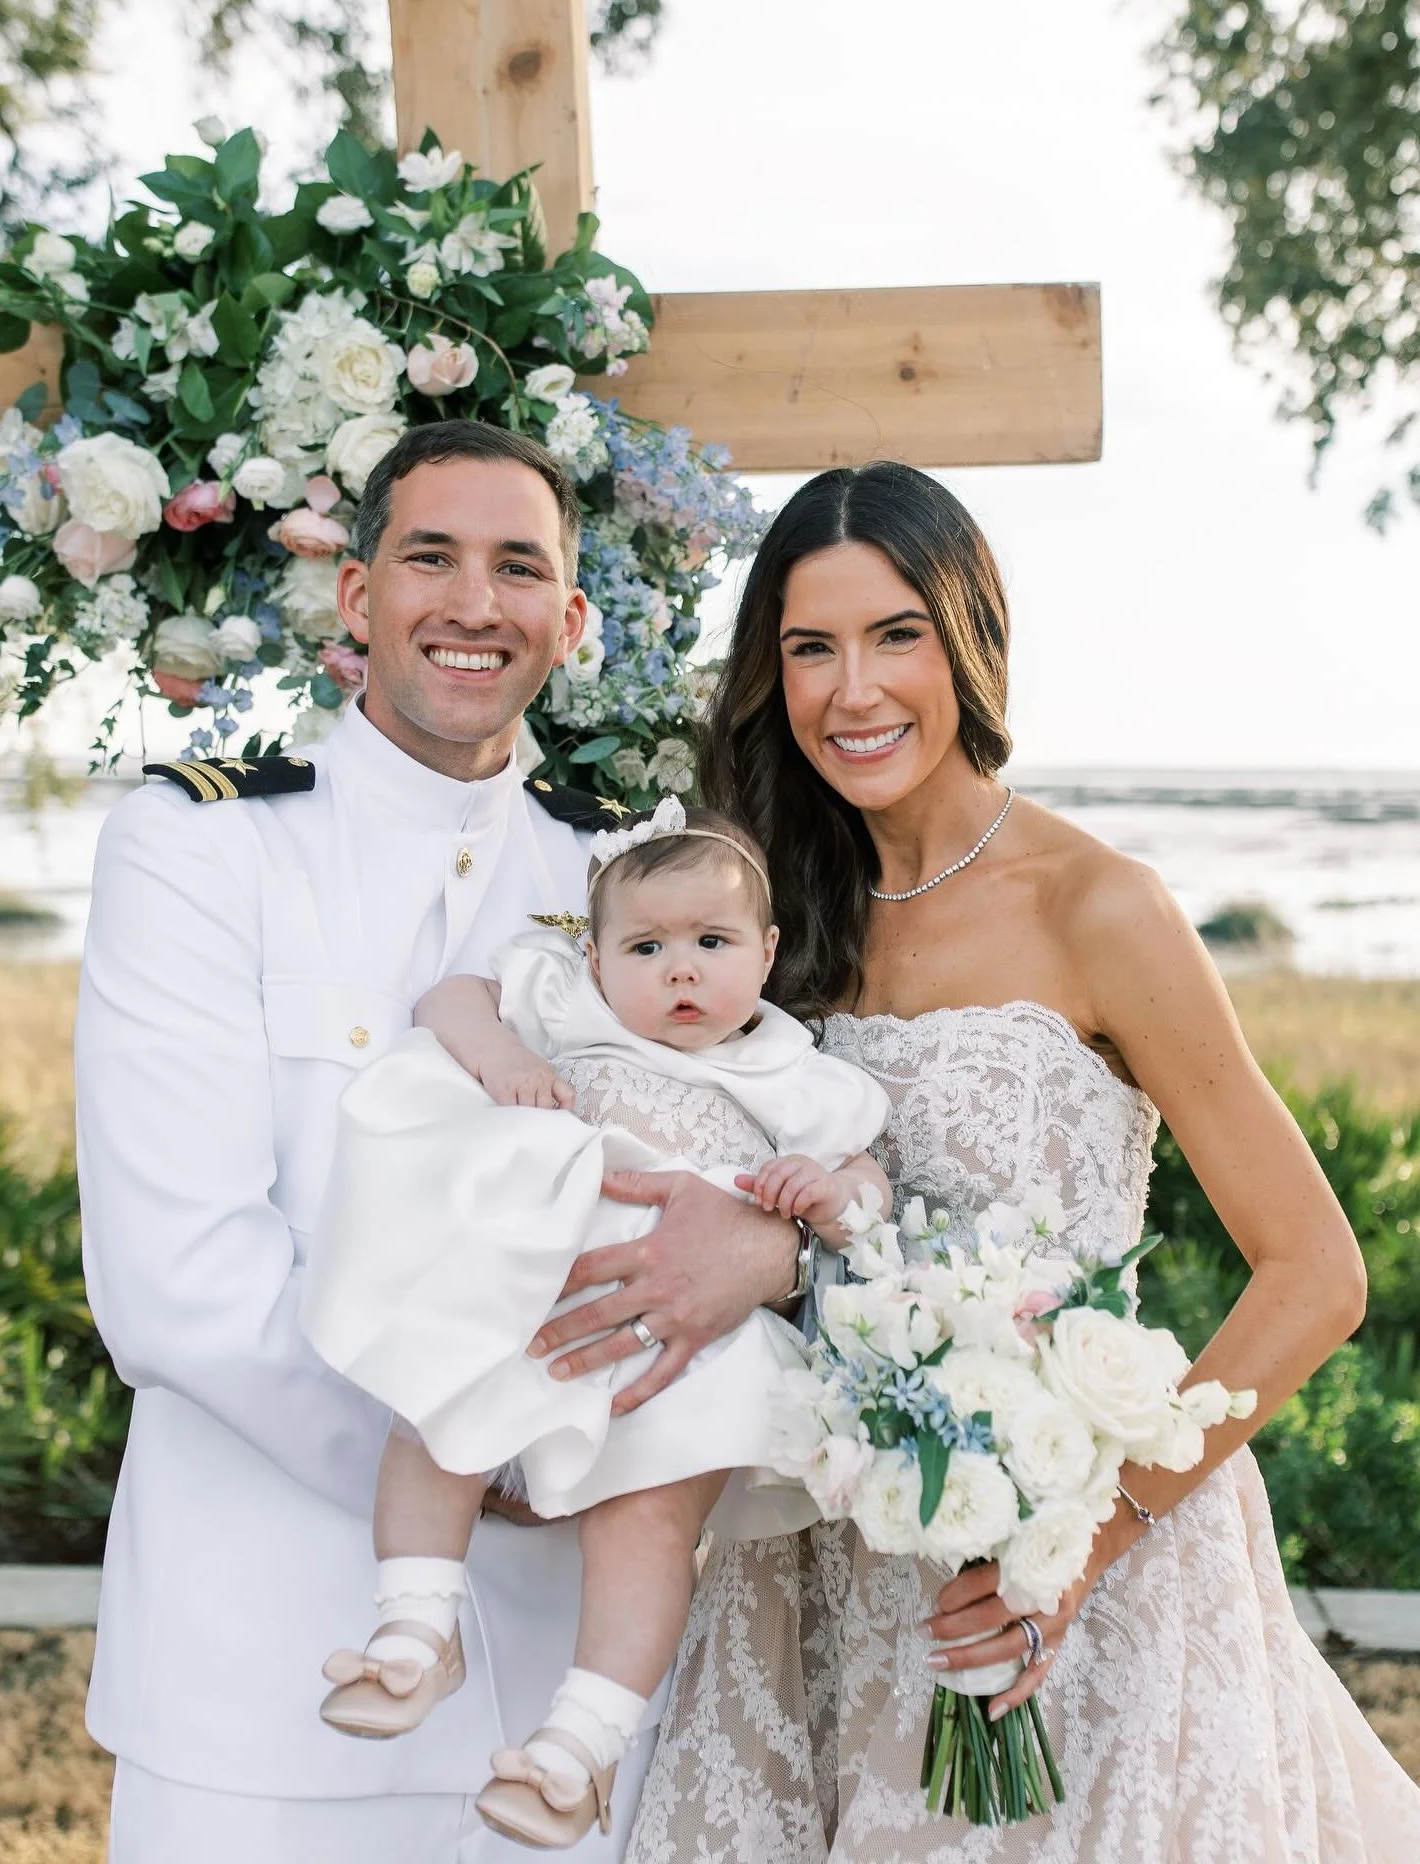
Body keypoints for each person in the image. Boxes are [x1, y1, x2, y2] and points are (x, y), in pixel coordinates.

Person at [621, 460, 1420, 1863]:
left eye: (895, 637)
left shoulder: (1100, 907)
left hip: (1074, 1573)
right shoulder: (755, 914)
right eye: (810, 648)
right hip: (814, 1572)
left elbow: (1316, 1277)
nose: (852, 692)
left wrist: (1084, 1546)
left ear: (969, 638)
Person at [75, 418, 807, 1864]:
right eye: (432, 558)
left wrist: (771, 1247)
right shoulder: (205, 848)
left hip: (568, 1703)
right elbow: (181, 1282)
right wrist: (495, 1456)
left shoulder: (628, 876)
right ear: (358, 600)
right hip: (269, 1669)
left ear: (571, 618)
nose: (476, 604)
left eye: (519, 568)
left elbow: (746, 1135)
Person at [300, 801, 890, 1847]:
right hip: (533, 1295)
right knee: (437, 1409)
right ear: (596, 954)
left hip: (682, 1348)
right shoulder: (568, 1005)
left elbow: (865, 1191)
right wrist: (497, 1058)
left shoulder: (797, 1075)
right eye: (645, 946)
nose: (679, 973)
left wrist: (825, 1185)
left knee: (649, 1522)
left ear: (767, 950)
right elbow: (452, 995)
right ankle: (413, 1622)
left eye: (711, 945)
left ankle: (581, 1743)